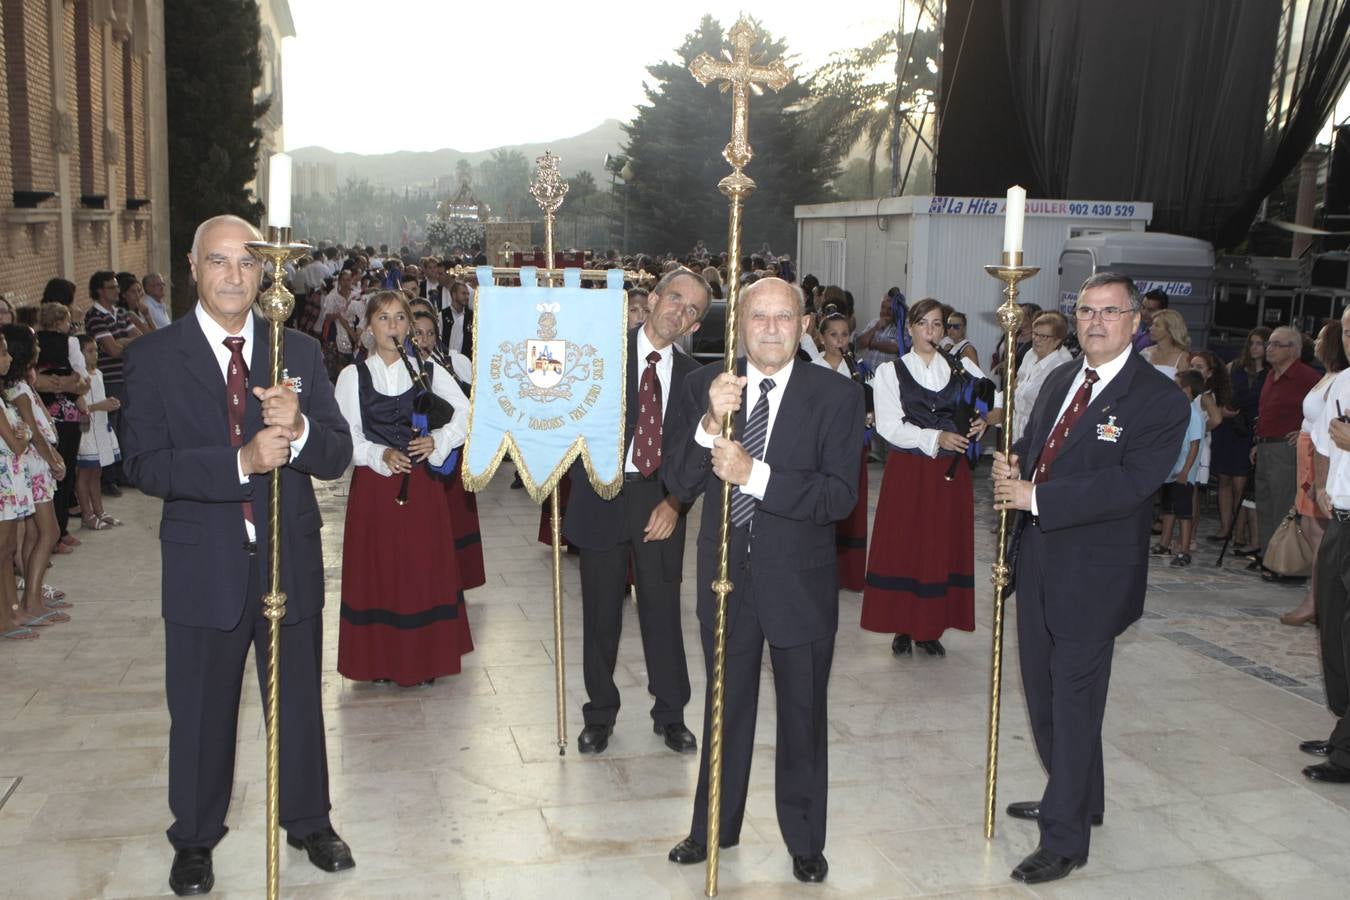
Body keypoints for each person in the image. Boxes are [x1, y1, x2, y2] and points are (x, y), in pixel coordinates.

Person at [122, 214, 356, 896]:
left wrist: (303, 427)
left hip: (289, 556)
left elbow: (337, 455)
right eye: (219, 261)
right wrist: (240, 462)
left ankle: (309, 820)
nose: (234, 275)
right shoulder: (154, 358)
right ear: (193, 268)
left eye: (247, 262)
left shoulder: (301, 353)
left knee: (298, 704)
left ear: (264, 273)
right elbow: (145, 463)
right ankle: (195, 838)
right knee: (199, 709)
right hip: (205, 562)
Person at [663, 277, 863, 885]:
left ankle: (804, 838)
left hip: (799, 582)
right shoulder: (707, 385)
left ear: (803, 326)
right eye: (758, 317)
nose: (770, 328)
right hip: (725, 577)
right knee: (726, 707)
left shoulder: (835, 396)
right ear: (738, 324)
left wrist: (757, 476)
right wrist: (706, 424)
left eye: (783, 317)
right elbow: (675, 478)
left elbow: (839, 496)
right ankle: (713, 827)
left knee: (802, 712)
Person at [992, 272, 1189, 885]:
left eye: (1110, 311)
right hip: (1041, 556)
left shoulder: (1158, 399)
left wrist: (1035, 495)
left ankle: (1065, 837)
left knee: (1074, 701)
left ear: (1136, 321)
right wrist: (1013, 456)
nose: (1095, 322)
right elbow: (1039, 441)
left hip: (1095, 572)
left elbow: (1129, 484)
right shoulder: (1059, 377)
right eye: (1086, 311)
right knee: (1043, 693)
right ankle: (1079, 795)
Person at [565, 268, 710, 755]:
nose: (680, 312)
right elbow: (564, 412)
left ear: (694, 326)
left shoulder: (695, 380)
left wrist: (676, 502)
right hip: (602, 492)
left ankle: (670, 713)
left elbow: (699, 453)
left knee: (663, 611)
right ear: (651, 299)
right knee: (601, 613)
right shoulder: (600, 354)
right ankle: (600, 714)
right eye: (675, 298)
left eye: (692, 310)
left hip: (659, 500)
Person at [335, 291, 474, 686]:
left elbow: (467, 411)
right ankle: (378, 659)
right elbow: (346, 434)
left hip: (423, 488)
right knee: (379, 568)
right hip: (375, 490)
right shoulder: (353, 376)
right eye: (383, 318)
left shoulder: (427, 369)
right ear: (369, 328)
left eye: (399, 318)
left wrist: (439, 440)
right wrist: (378, 454)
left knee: (420, 568)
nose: (392, 326)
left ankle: (424, 658)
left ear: (409, 328)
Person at [859, 298, 996, 655]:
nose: (931, 332)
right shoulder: (891, 372)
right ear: (910, 328)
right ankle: (903, 625)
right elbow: (889, 427)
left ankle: (930, 626)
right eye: (923, 324)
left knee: (940, 545)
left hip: (950, 474)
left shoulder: (960, 367)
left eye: (938, 325)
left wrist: (982, 422)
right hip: (909, 470)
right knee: (907, 544)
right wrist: (935, 437)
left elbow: (990, 399)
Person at [1301, 306, 1350, 785]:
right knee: (1333, 627)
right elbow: (1322, 439)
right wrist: (1318, 483)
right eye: (1349, 330)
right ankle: (1344, 726)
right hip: (1341, 519)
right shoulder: (1342, 380)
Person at [3, 324, 70, 630]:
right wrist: (52, 457)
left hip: (30, 468)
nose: (39, 349)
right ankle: (28, 601)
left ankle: (31, 599)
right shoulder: (16, 391)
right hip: (30, 467)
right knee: (47, 532)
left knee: (34, 535)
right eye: (35, 345)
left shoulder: (20, 386)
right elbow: (29, 435)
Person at [1281, 320, 1348, 625]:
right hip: (1312, 455)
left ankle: (1317, 600)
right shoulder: (1334, 378)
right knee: (1311, 530)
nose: (1316, 341)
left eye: (1322, 337)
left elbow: (1332, 432)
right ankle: (1318, 598)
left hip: (1323, 460)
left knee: (1318, 533)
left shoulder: (1338, 379)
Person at [1252, 325, 1321, 579]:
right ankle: (1270, 558)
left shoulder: (1308, 377)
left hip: (1286, 449)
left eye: (1275, 344)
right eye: (1269, 343)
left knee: (1284, 506)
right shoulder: (1271, 375)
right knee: (1265, 505)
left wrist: (1305, 433)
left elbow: (1323, 410)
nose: (1269, 348)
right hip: (1266, 445)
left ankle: (1289, 564)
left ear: (1293, 349)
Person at [815, 310, 871, 592]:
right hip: (818, 451)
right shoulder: (811, 368)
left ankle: (849, 572)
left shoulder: (858, 369)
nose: (839, 341)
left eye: (844, 335)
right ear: (821, 338)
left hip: (852, 448)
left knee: (851, 505)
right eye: (833, 335)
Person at [85, 270, 142, 496]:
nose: (117, 291)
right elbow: (111, 349)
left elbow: (142, 339)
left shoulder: (120, 313)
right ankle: (109, 478)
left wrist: (122, 341)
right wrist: (125, 342)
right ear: (100, 290)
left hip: (125, 377)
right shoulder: (94, 316)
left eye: (117, 287)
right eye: (112, 287)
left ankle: (124, 472)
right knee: (109, 427)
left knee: (125, 427)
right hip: (108, 379)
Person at [1153, 369, 1206, 566]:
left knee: (1184, 511)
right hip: (1170, 470)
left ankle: (1184, 550)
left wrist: (1186, 471)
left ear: (1187, 390)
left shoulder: (1193, 415)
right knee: (1168, 509)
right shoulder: (1177, 411)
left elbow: (1194, 444)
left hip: (1182, 472)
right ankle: (1164, 543)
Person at [1224, 327, 1270, 554]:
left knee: (1243, 484)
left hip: (1256, 430)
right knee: (1230, 480)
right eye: (1251, 343)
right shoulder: (1237, 368)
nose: (1254, 348)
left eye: (1259, 343)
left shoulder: (1271, 373)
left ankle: (1242, 532)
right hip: (1235, 428)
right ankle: (1233, 531)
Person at [74, 334, 121, 530]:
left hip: (101, 427)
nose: (94, 355)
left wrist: (109, 403)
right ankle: (87, 514)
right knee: (84, 475)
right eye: (89, 351)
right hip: (86, 430)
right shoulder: (76, 378)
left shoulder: (98, 373)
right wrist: (100, 406)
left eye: (96, 350)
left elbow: (99, 399)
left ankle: (99, 511)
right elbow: (81, 406)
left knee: (97, 472)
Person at [1011, 311, 1073, 446]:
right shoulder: (1030, 355)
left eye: (1043, 336)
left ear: (1057, 341)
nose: (1036, 339)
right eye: (1035, 333)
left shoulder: (1060, 366)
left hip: (1038, 435)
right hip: (1016, 428)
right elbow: (1016, 385)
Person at [1140, 308, 1190, 378]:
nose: (1151, 328)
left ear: (1170, 330)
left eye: (1157, 325)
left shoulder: (1182, 357)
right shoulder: (1145, 352)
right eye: (1152, 324)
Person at [1132, 288, 1168, 352]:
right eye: (1143, 307)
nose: (1144, 313)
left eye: (1150, 310)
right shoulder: (1137, 326)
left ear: (1163, 311)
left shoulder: (1164, 337)